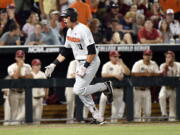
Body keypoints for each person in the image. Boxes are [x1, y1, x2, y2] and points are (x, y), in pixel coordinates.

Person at [45, 8, 113, 124]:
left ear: (71, 17)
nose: (63, 20)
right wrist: (53, 64)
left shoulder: (83, 30)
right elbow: (65, 51)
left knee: (78, 90)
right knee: (81, 90)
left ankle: (105, 86)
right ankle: (97, 116)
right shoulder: (69, 31)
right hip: (79, 62)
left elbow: (92, 52)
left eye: (65, 17)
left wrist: (85, 66)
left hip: (90, 61)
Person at [99, 51, 130, 123]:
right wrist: (114, 75)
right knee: (103, 100)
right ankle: (100, 118)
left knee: (116, 110)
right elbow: (103, 75)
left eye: (117, 56)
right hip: (109, 88)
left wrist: (122, 63)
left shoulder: (120, 65)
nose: (117, 58)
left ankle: (113, 123)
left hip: (119, 89)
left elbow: (128, 73)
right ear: (110, 57)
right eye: (115, 56)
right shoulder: (107, 65)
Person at [131, 49, 159, 122]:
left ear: (151, 56)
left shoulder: (153, 63)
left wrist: (151, 74)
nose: (147, 56)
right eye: (146, 55)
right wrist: (144, 74)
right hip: (137, 90)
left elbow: (158, 73)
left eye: (149, 55)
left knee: (148, 112)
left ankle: (147, 128)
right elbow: (133, 73)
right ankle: (136, 128)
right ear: (143, 56)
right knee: (137, 111)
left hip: (147, 90)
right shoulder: (138, 63)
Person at [8, 50, 33, 125]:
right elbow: (15, 77)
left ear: (24, 57)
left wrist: (21, 76)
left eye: (21, 57)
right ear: (15, 57)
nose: (20, 58)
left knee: (25, 111)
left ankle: (15, 125)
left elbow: (31, 77)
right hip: (14, 92)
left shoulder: (27, 66)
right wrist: (19, 66)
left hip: (24, 92)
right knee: (14, 112)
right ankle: (13, 129)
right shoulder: (11, 67)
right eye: (18, 57)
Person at [159, 51, 180, 121]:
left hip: (174, 89)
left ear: (173, 58)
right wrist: (166, 68)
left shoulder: (178, 65)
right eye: (166, 57)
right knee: (161, 96)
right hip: (165, 87)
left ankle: (171, 121)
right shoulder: (163, 65)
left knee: (173, 113)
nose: (167, 59)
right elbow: (162, 76)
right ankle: (164, 114)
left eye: (169, 57)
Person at [31, 59, 48, 124]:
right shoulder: (29, 74)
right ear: (32, 66)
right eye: (36, 65)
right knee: (29, 117)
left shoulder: (43, 74)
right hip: (31, 98)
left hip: (40, 98)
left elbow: (46, 86)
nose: (38, 66)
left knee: (38, 118)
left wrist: (46, 94)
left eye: (39, 65)